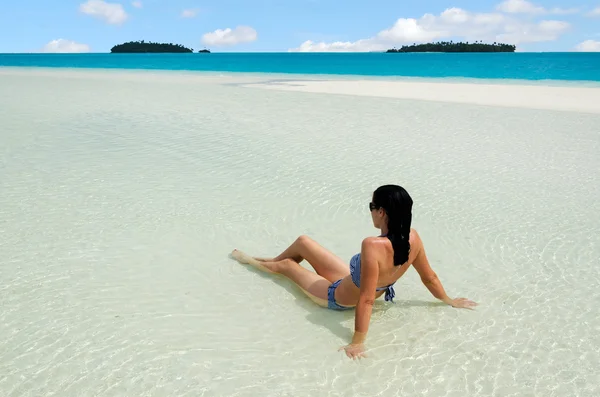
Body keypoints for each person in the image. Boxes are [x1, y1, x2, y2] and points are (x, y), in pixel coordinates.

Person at [231, 184, 477, 360]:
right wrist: (449, 300)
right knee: (303, 241)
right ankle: (271, 262)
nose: (370, 211)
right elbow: (429, 277)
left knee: (287, 267)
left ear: (381, 212)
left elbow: (367, 298)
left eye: (372, 206)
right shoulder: (414, 238)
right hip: (348, 281)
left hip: (335, 297)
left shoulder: (372, 244)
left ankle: (251, 261)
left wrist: (357, 342)